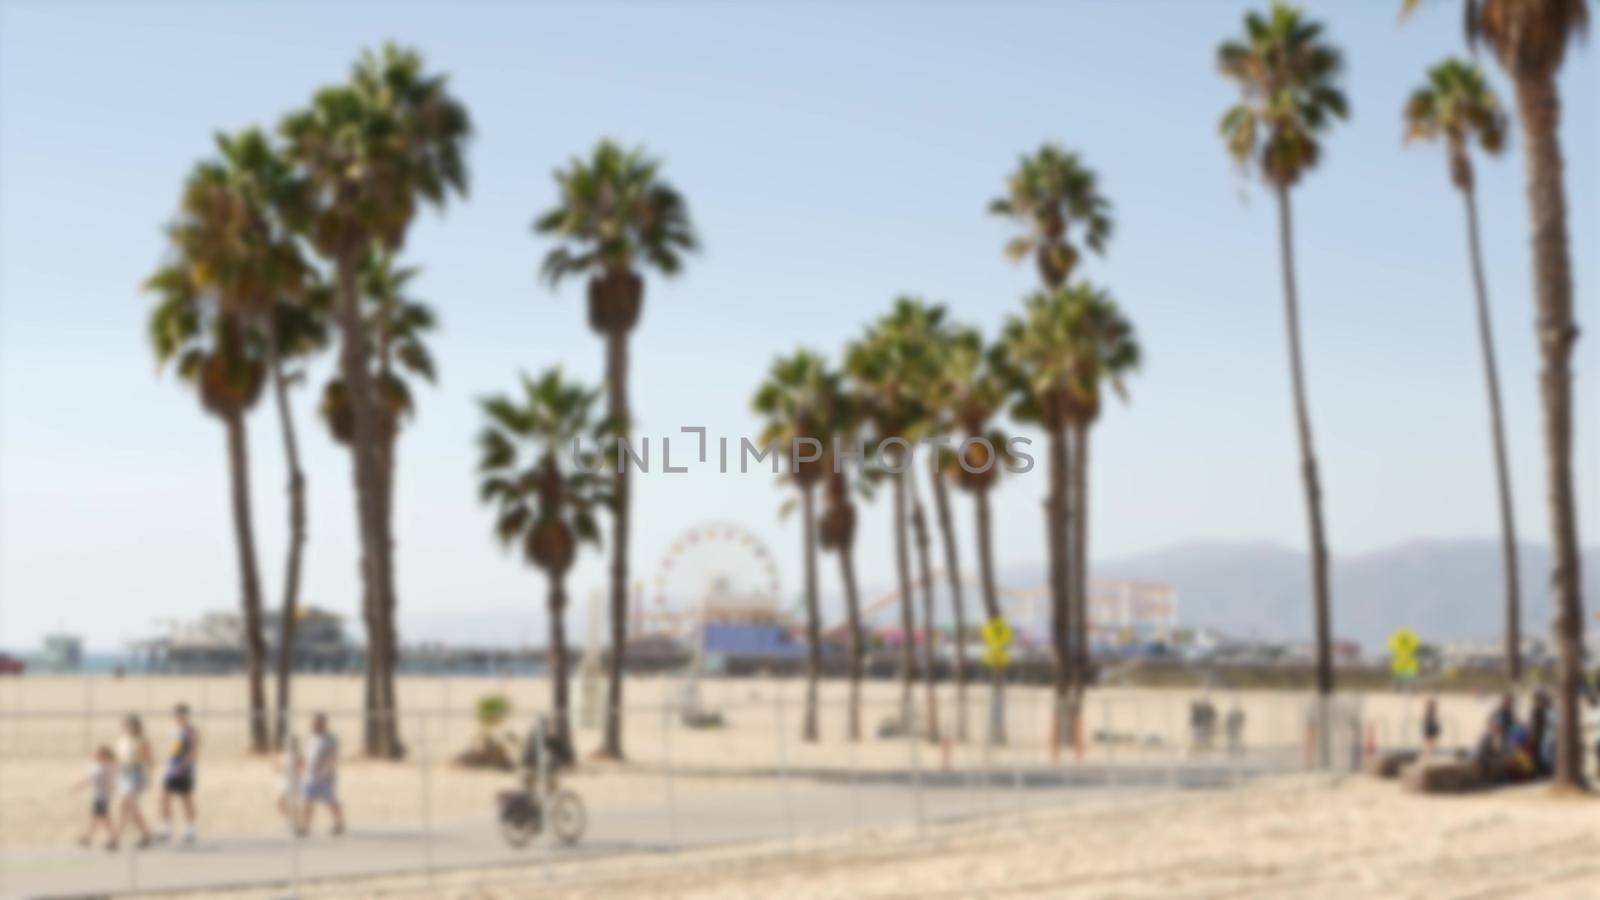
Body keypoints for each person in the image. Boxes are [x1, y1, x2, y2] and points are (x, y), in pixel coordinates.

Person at [158, 703, 200, 844]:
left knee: (186, 799)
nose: (178, 717)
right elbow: (172, 750)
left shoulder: (190, 731)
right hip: (172, 768)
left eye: (181, 714)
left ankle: (190, 829)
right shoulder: (173, 730)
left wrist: (184, 765)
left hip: (185, 770)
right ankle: (167, 828)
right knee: (164, 797)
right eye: (176, 715)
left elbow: (193, 751)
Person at [299, 713, 343, 836]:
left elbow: (333, 756)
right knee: (307, 801)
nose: (314, 725)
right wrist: (301, 769)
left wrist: (326, 771)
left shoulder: (330, 739)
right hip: (309, 776)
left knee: (330, 801)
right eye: (313, 723)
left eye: (317, 723)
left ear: (323, 724)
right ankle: (305, 827)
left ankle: (339, 824)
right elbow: (306, 756)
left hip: (325, 777)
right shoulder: (311, 738)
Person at [113, 715, 153, 849]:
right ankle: (146, 834)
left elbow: (150, 760)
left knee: (125, 804)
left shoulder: (142, 741)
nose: (126, 727)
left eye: (129, 725)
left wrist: (150, 778)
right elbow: (119, 760)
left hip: (136, 774)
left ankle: (116, 838)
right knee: (130, 808)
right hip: (124, 774)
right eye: (125, 725)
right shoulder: (122, 740)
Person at [74, 745, 117, 850]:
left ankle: (111, 838)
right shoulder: (100, 767)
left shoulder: (105, 767)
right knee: (98, 818)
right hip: (99, 796)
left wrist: (78, 786)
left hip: (102, 796)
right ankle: (89, 837)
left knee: (103, 818)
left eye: (98, 754)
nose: (96, 756)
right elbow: (90, 780)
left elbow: (94, 780)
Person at [275, 734, 305, 827]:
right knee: (280, 803)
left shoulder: (298, 755)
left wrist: (296, 771)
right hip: (284, 781)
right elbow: (278, 767)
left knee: (294, 803)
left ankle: (297, 821)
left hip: (294, 782)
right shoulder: (283, 755)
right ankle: (289, 820)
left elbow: (302, 768)